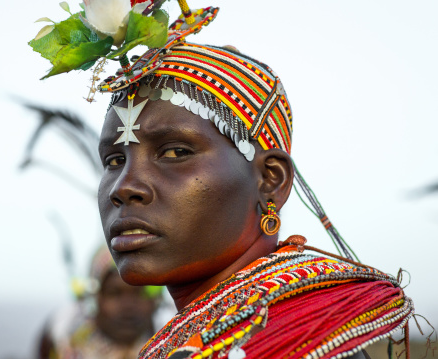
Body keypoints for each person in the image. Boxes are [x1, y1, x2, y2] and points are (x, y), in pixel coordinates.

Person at [30, 2, 415, 358]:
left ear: (270, 180)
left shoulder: (294, 335)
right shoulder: (205, 333)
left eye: (176, 152)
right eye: (114, 159)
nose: (124, 187)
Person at [36, 246, 161, 359]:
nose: (128, 305)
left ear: (156, 300)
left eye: (140, 293)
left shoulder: (173, 345)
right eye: (114, 293)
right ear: (95, 299)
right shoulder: (61, 340)